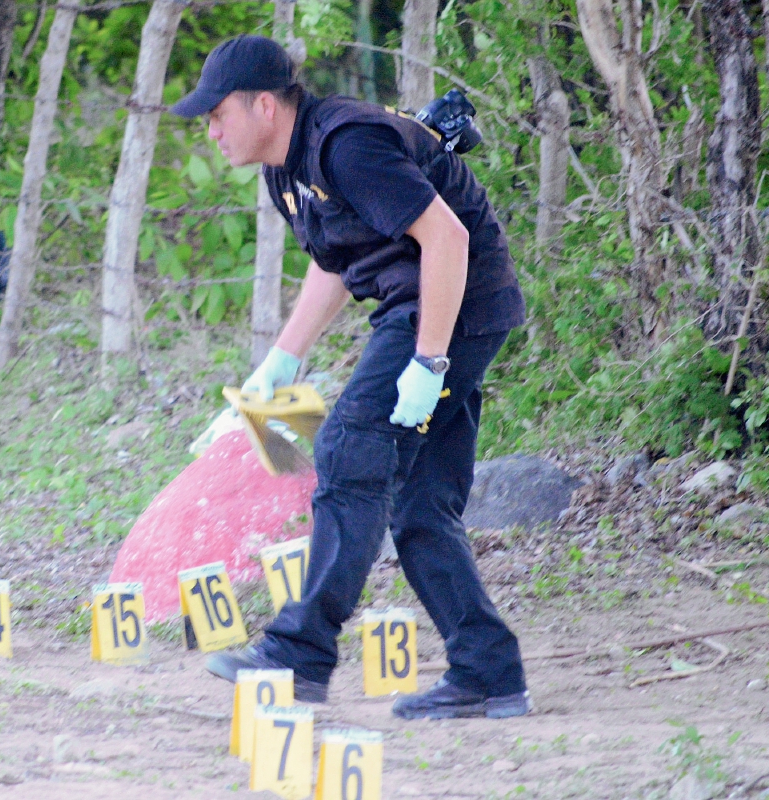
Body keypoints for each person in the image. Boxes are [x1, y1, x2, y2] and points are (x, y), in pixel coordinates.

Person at [171, 36, 529, 719]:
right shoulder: (288, 168)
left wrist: (429, 361)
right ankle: (489, 672)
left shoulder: (346, 144)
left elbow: (448, 240)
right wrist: (281, 366)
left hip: (451, 303)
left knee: (348, 447)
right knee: (419, 505)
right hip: (427, 305)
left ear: (265, 106)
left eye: (219, 113)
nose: (211, 130)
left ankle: (299, 652)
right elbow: (335, 259)